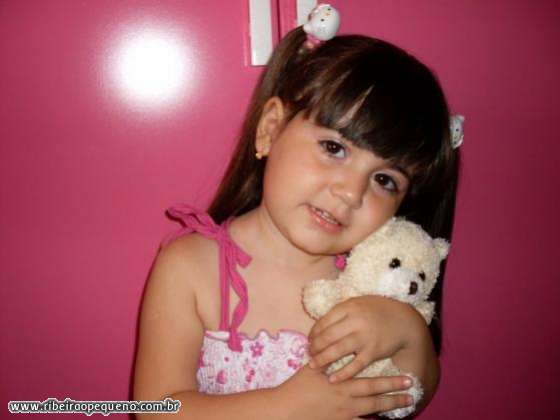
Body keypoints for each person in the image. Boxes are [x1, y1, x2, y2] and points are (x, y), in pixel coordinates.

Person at [133, 17, 460, 420]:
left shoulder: (377, 281)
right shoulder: (190, 267)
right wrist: (286, 407)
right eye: (334, 148)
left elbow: (412, 396)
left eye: (384, 180)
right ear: (271, 129)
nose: (350, 192)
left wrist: (411, 334)